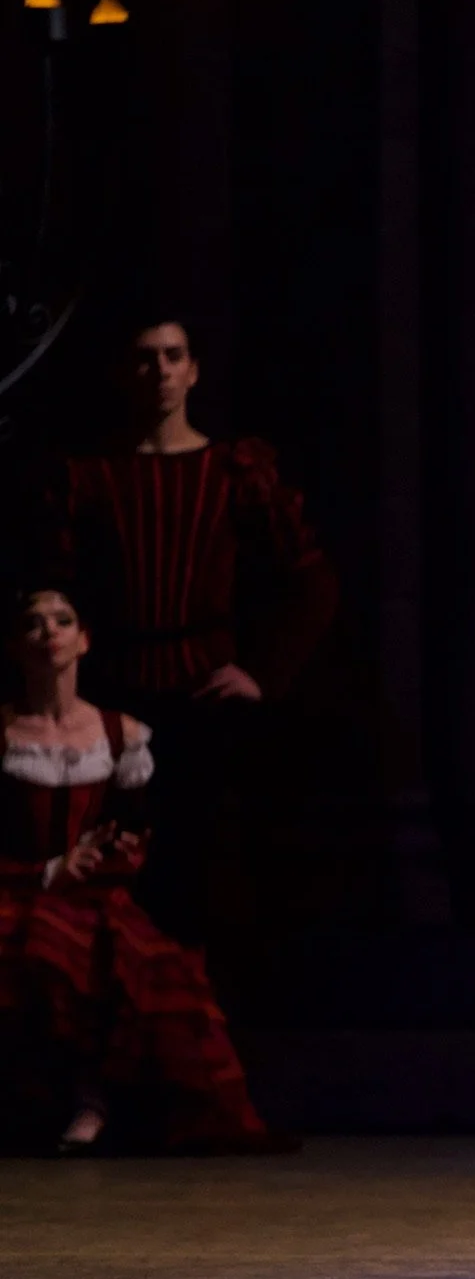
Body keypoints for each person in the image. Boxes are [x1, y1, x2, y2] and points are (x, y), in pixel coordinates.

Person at [31, 310, 336, 943]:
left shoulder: (231, 471)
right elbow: (51, 586)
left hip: (204, 701)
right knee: (110, 867)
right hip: (113, 696)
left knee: (198, 871)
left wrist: (262, 672)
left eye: (173, 357)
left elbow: (311, 580)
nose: (161, 372)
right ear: (125, 373)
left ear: (193, 371)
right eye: (147, 358)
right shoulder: (89, 478)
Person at [0, 587, 273, 1152]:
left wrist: (95, 862)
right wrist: (51, 871)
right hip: (16, 887)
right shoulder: (3, 734)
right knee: (39, 941)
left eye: (62, 620)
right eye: (33, 623)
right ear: (14, 646)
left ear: (84, 640)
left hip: (96, 894)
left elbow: (134, 835)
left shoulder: (121, 734)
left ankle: (93, 1100)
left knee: (126, 954)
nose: (49, 631)